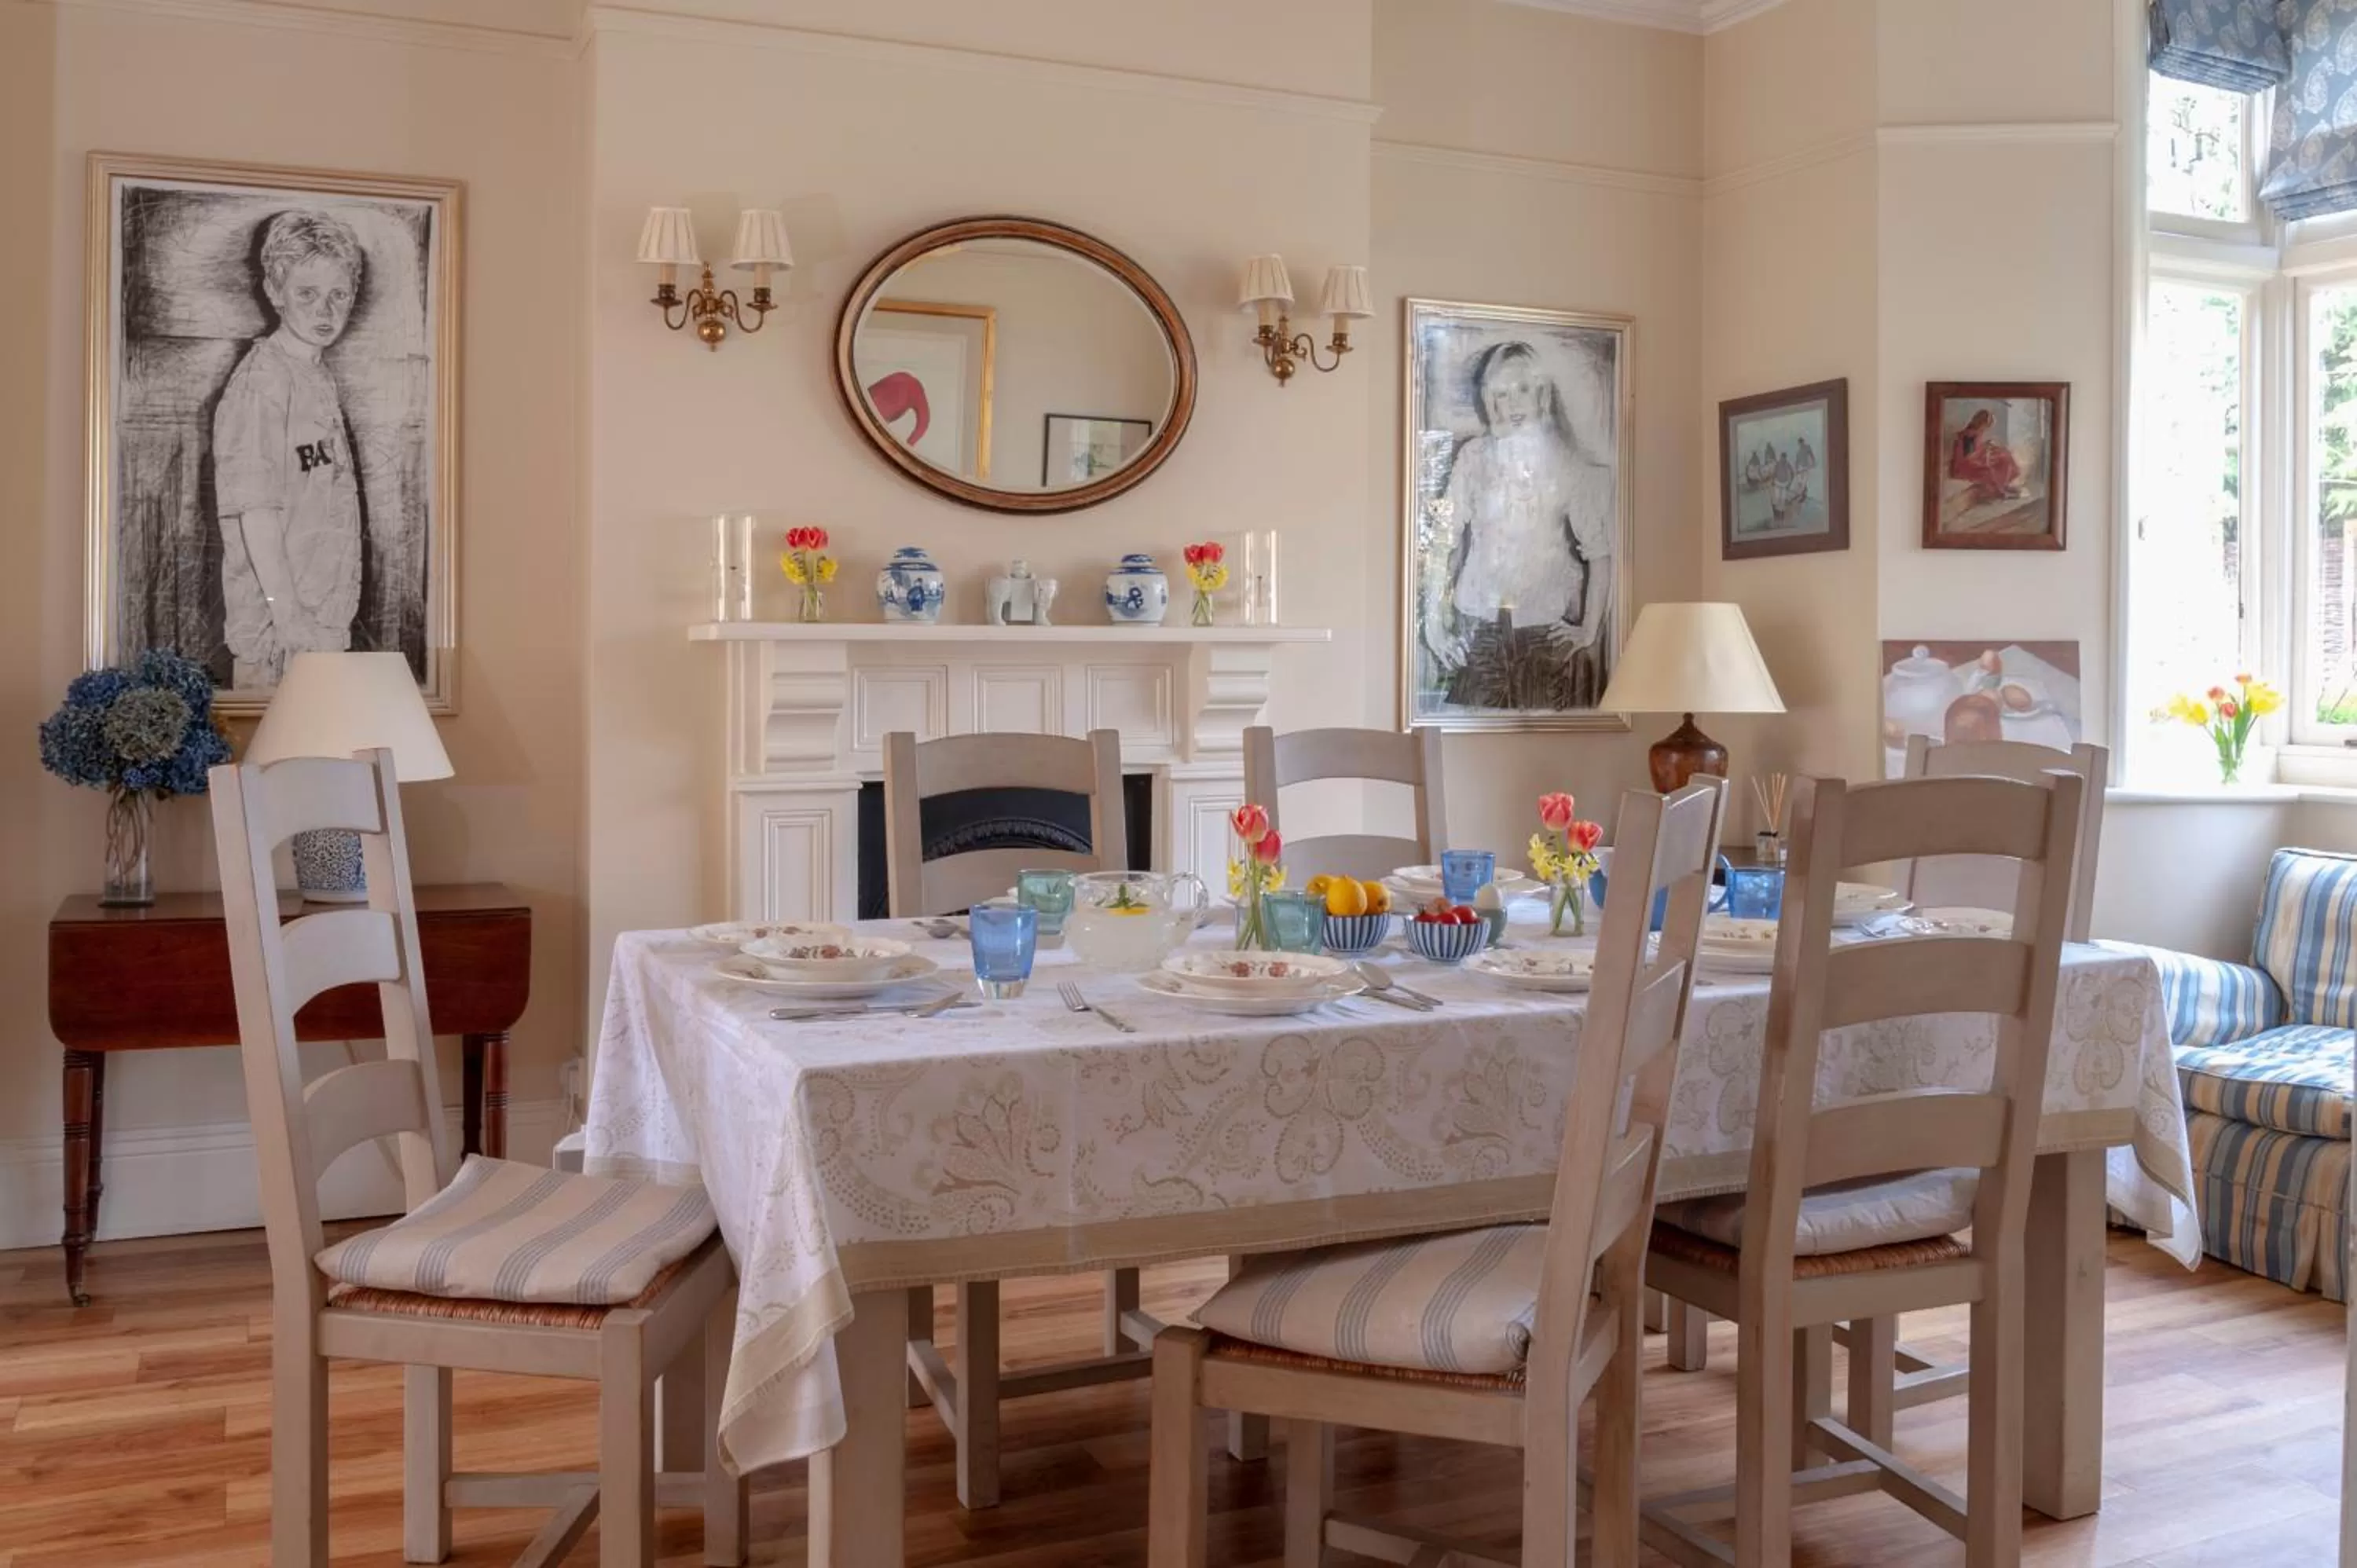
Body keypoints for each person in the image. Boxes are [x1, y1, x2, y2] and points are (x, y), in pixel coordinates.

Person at [212, 209, 366, 690]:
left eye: (337, 295)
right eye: (307, 294)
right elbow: (255, 511)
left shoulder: (315, 375)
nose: (325, 312)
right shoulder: (262, 382)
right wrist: (288, 614)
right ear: (276, 292)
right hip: (279, 633)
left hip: (324, 623)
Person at [1421, 339, 1616, 713]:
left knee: (1540, 743)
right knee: (1463, 735)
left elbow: (1599, 553)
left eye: (1523, 390)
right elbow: (1441, 542)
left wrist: (1589, 628)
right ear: (1490, 400)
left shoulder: (1566, 463)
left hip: (1542, 633)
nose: (1513, 404)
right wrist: (1434, 627)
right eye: (1502, 393)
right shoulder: (1473, 458)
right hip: (1477, 628)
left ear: (1541, 394)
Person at [1948, 407, 2026, 505]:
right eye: (1986, 426)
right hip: (1965, 466)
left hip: (1976, 458)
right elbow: (1969, 456)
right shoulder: (1969, 435)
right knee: (1989, 469)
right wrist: (1986, 454)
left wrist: (1987, 446)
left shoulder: (1976, 432)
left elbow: (1977, 448)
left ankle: (2003, 485)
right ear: (1981, 423)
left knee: (2004, 455)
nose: (1986, 429)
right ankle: (2000, 492)